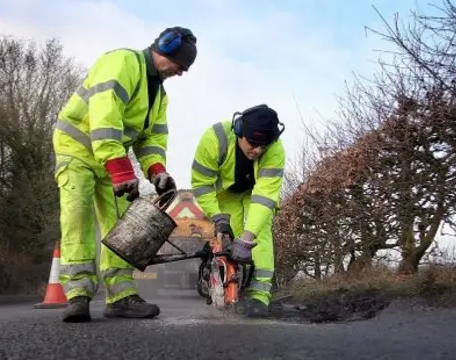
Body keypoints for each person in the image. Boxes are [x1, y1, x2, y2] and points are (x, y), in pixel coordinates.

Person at [52, 26, 198, 322]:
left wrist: (157, 171)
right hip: (77, 149)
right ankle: (78, 295)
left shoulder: (158, 96)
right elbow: (104, 119)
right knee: (77, 217)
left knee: (122, 227)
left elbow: (151, 139)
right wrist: (119, 168)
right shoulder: (121, 63)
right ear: (165, 48)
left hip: (111, 158)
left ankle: (120, 296)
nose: (181, 73)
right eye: (180, 65)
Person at [190, 104, 285, 318]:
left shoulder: (275, 149)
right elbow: (202, 185)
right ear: (239, 129)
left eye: (264, 146)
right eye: (253, 143)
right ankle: (229, 288)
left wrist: (248, 237)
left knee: (259, 234)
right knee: (228, 239)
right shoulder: (214, 139)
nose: (257, 150)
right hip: (226, 195)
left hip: (255, 196)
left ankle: (259, 296)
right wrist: (218, 218)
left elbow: (265, 195)